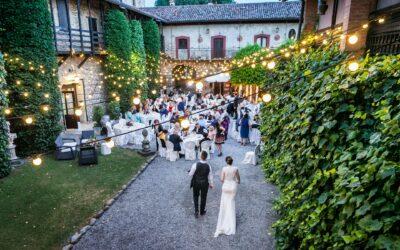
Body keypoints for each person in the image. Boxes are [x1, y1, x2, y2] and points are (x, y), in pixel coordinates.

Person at [214, 156, 240, 237]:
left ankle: (224, 219)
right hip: (232, 187)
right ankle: (231, 223)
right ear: (232, 161)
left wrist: (225, 180)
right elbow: (238, 179)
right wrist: (235, 182)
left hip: (225, 187)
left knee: (224, 204)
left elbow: (222, 179)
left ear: (226, 162)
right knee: (231, 203)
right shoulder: (236, 168)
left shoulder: (224, 169)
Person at [189, 151, 214, 218]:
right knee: (203, 197)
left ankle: (196, 211)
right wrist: (211, 184)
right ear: (206, 157)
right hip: (205, 183)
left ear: (201, 156)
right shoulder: (209, 166)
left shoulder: (195, 165)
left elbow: (190, 174)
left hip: (196, 182)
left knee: (195, 196)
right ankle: (202, 211)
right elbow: (210, 176)